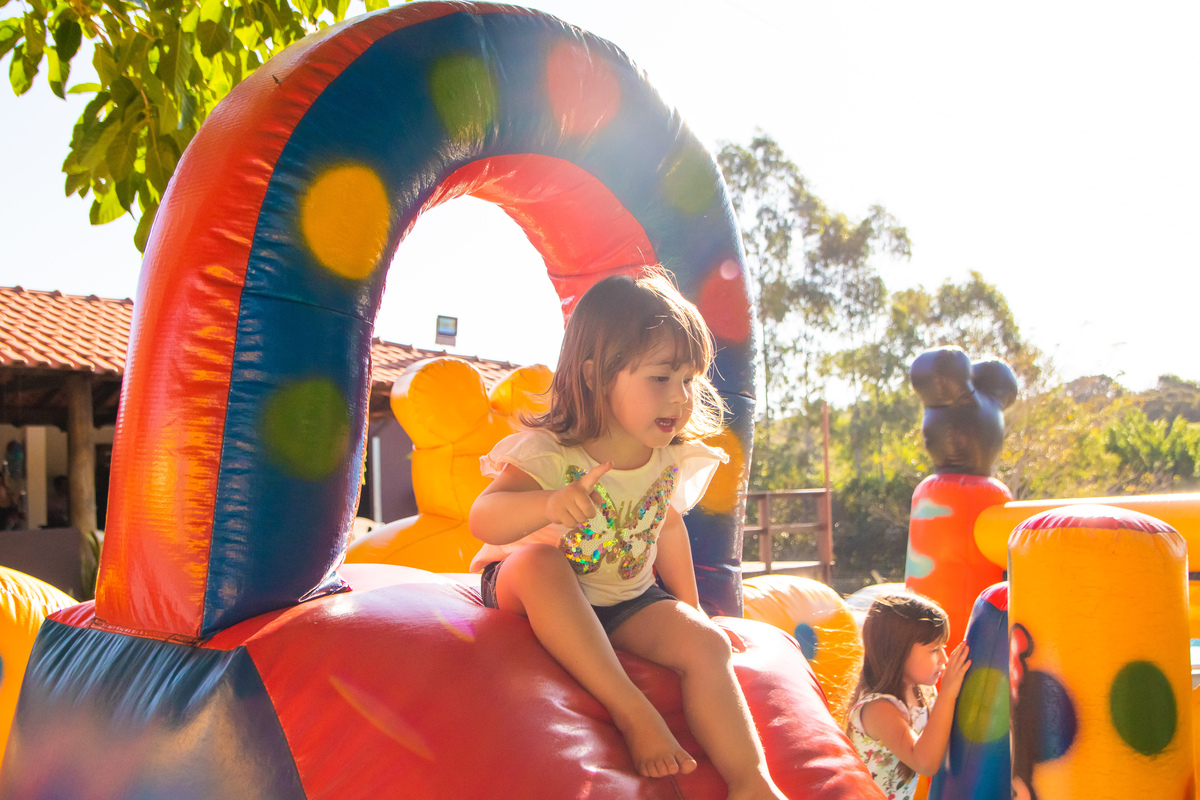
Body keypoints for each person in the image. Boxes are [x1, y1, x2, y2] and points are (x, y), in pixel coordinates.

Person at [469, 268, 787, 800]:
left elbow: (667, 526)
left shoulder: (666, 455)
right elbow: (483, 516)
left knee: (707, 645)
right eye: (660, 378)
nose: (679, 397)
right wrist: (548, 503)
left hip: (625, 600)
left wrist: (690, 610)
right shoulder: (554, 452)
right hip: (531, 589)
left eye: (688, 380)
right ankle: (632, 710)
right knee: (543, 564)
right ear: (596, 376)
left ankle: (750, 780)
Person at [845, 593, 971, 800]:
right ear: (898, 652)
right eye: (934, 650)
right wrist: (948, 693)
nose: (944, 659)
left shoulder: (924, 692)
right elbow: (924, 763)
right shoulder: (879, 708)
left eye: (943, 648)